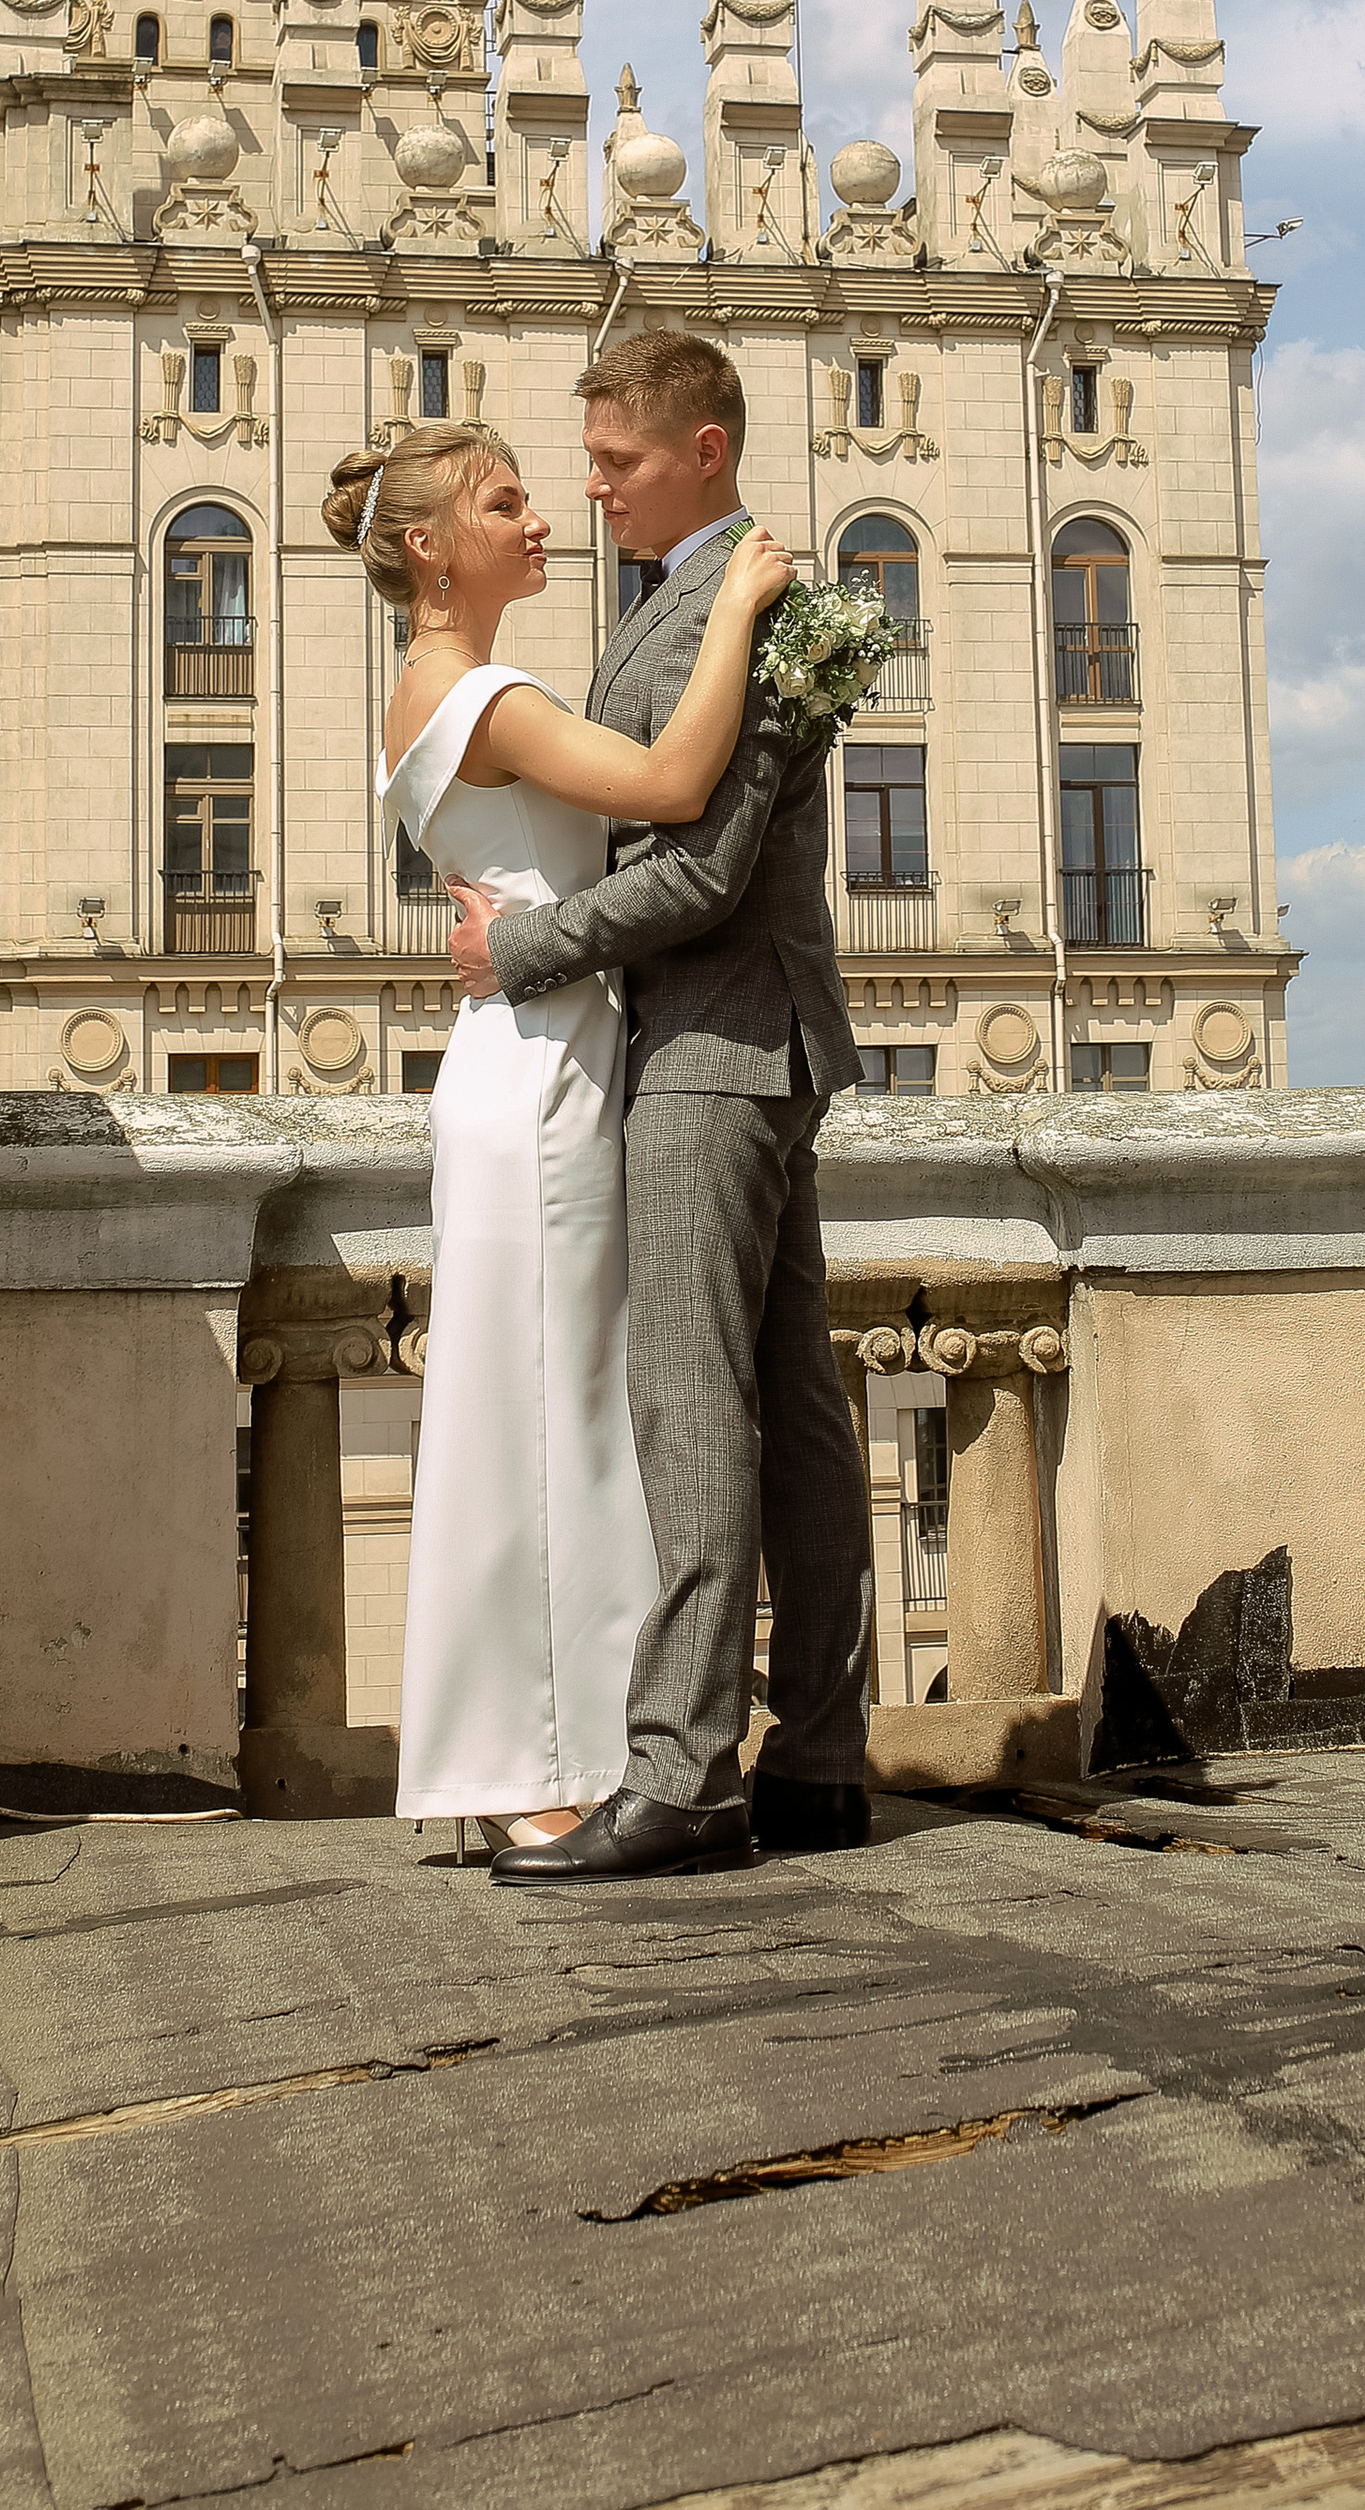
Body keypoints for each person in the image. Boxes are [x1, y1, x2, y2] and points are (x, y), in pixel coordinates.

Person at [327, 416, 794, 1850]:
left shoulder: (442, 687)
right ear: (428, 548)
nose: (542, 521)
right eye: (505, 502)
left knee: (553, 1419)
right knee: (548, 1424)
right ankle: (535, 1773)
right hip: (539, 1075)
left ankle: (554, 1757)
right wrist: (736, 611)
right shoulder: (477, 689)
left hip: (527, 1051)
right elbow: (669, 791)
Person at [445, 328, 874, 1888]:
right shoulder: (700, 598)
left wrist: (520, 950)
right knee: (800, 1412)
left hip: (714, 1044)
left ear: (703, 448)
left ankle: (685, 1775)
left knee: (693, 1406)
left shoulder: (757, 603)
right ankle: (820, 1757)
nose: (594, 489)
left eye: (616, 463)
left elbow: (698, 871)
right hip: (747, 1041)